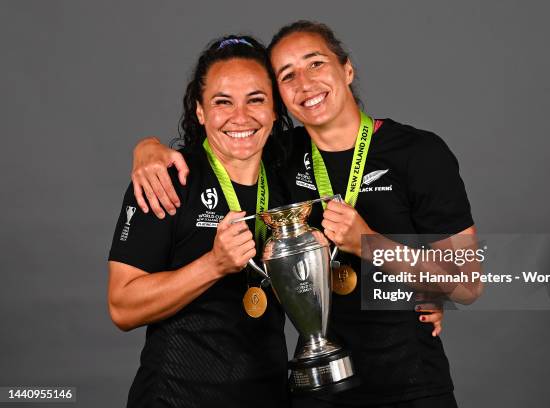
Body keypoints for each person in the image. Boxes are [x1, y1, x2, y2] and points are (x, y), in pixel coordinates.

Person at [129, 21, 466, 407]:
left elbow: (466, 283)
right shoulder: (278, 159)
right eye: (287, 76)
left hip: (410, 386)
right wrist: (148, 149)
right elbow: (221, 142)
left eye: (316, 64)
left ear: (348, 69)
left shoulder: (418, 153)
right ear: (279, 101)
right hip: (313, 390)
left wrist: (368, 244)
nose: (305, 84)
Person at [107, 35, 293, 407]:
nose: (240, 117)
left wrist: (425, 296)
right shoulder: (166, 180)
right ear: (201, 111)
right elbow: (122, 306)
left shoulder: (293, 180)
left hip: (270, 396)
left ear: (275, 108)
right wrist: (214, 265)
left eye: (255, 99)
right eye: (223, 102)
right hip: (175, 397)